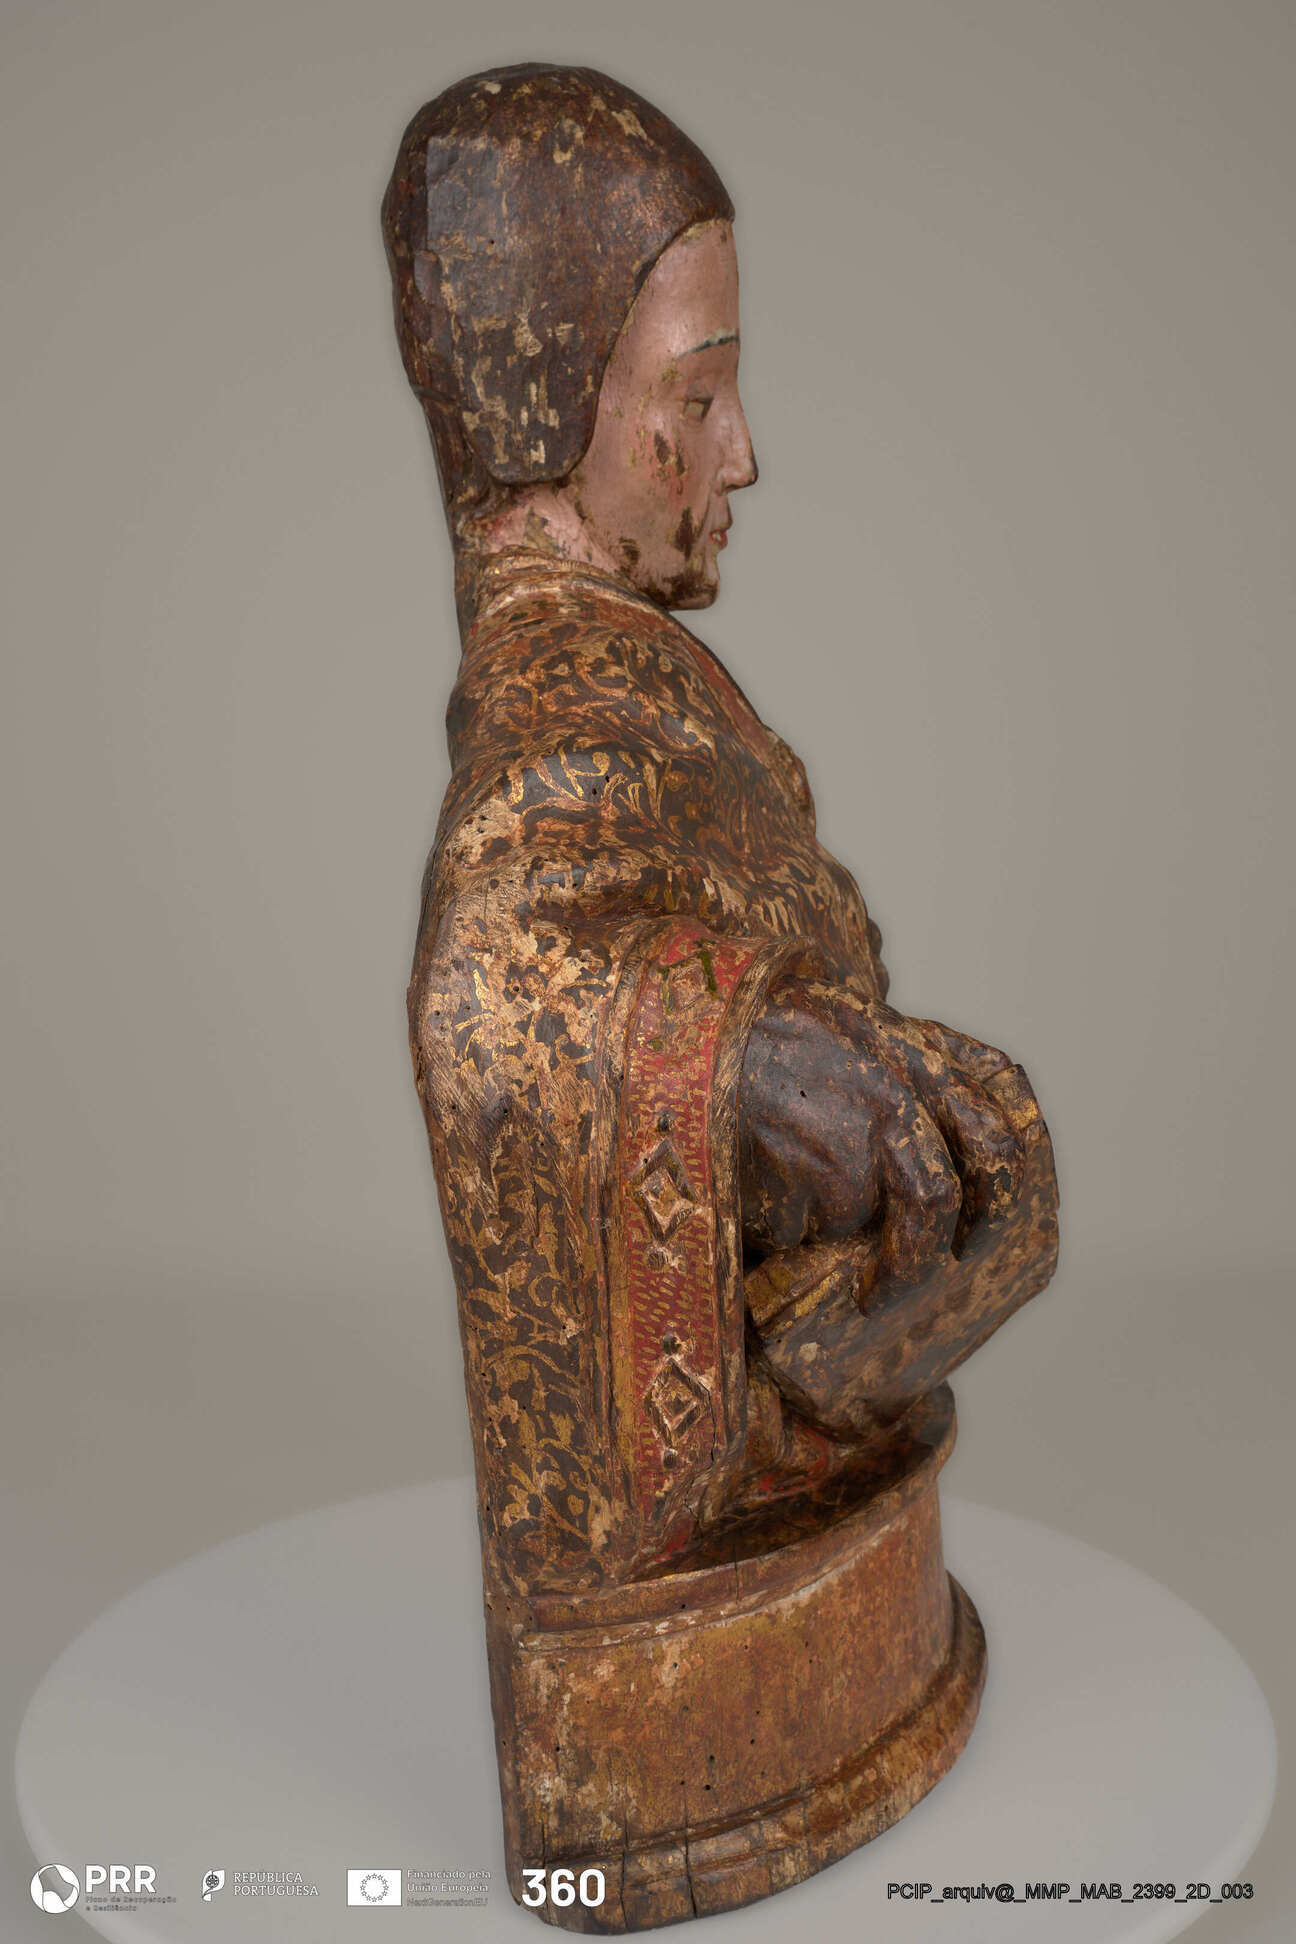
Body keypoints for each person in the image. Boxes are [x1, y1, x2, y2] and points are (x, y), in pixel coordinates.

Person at [384, 62, 1058, 1595]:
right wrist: (736, 1058)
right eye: (697, 397)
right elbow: (485, 996)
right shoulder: (559, 709)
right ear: (552, 408)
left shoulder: (634, 674)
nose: (741, 452)